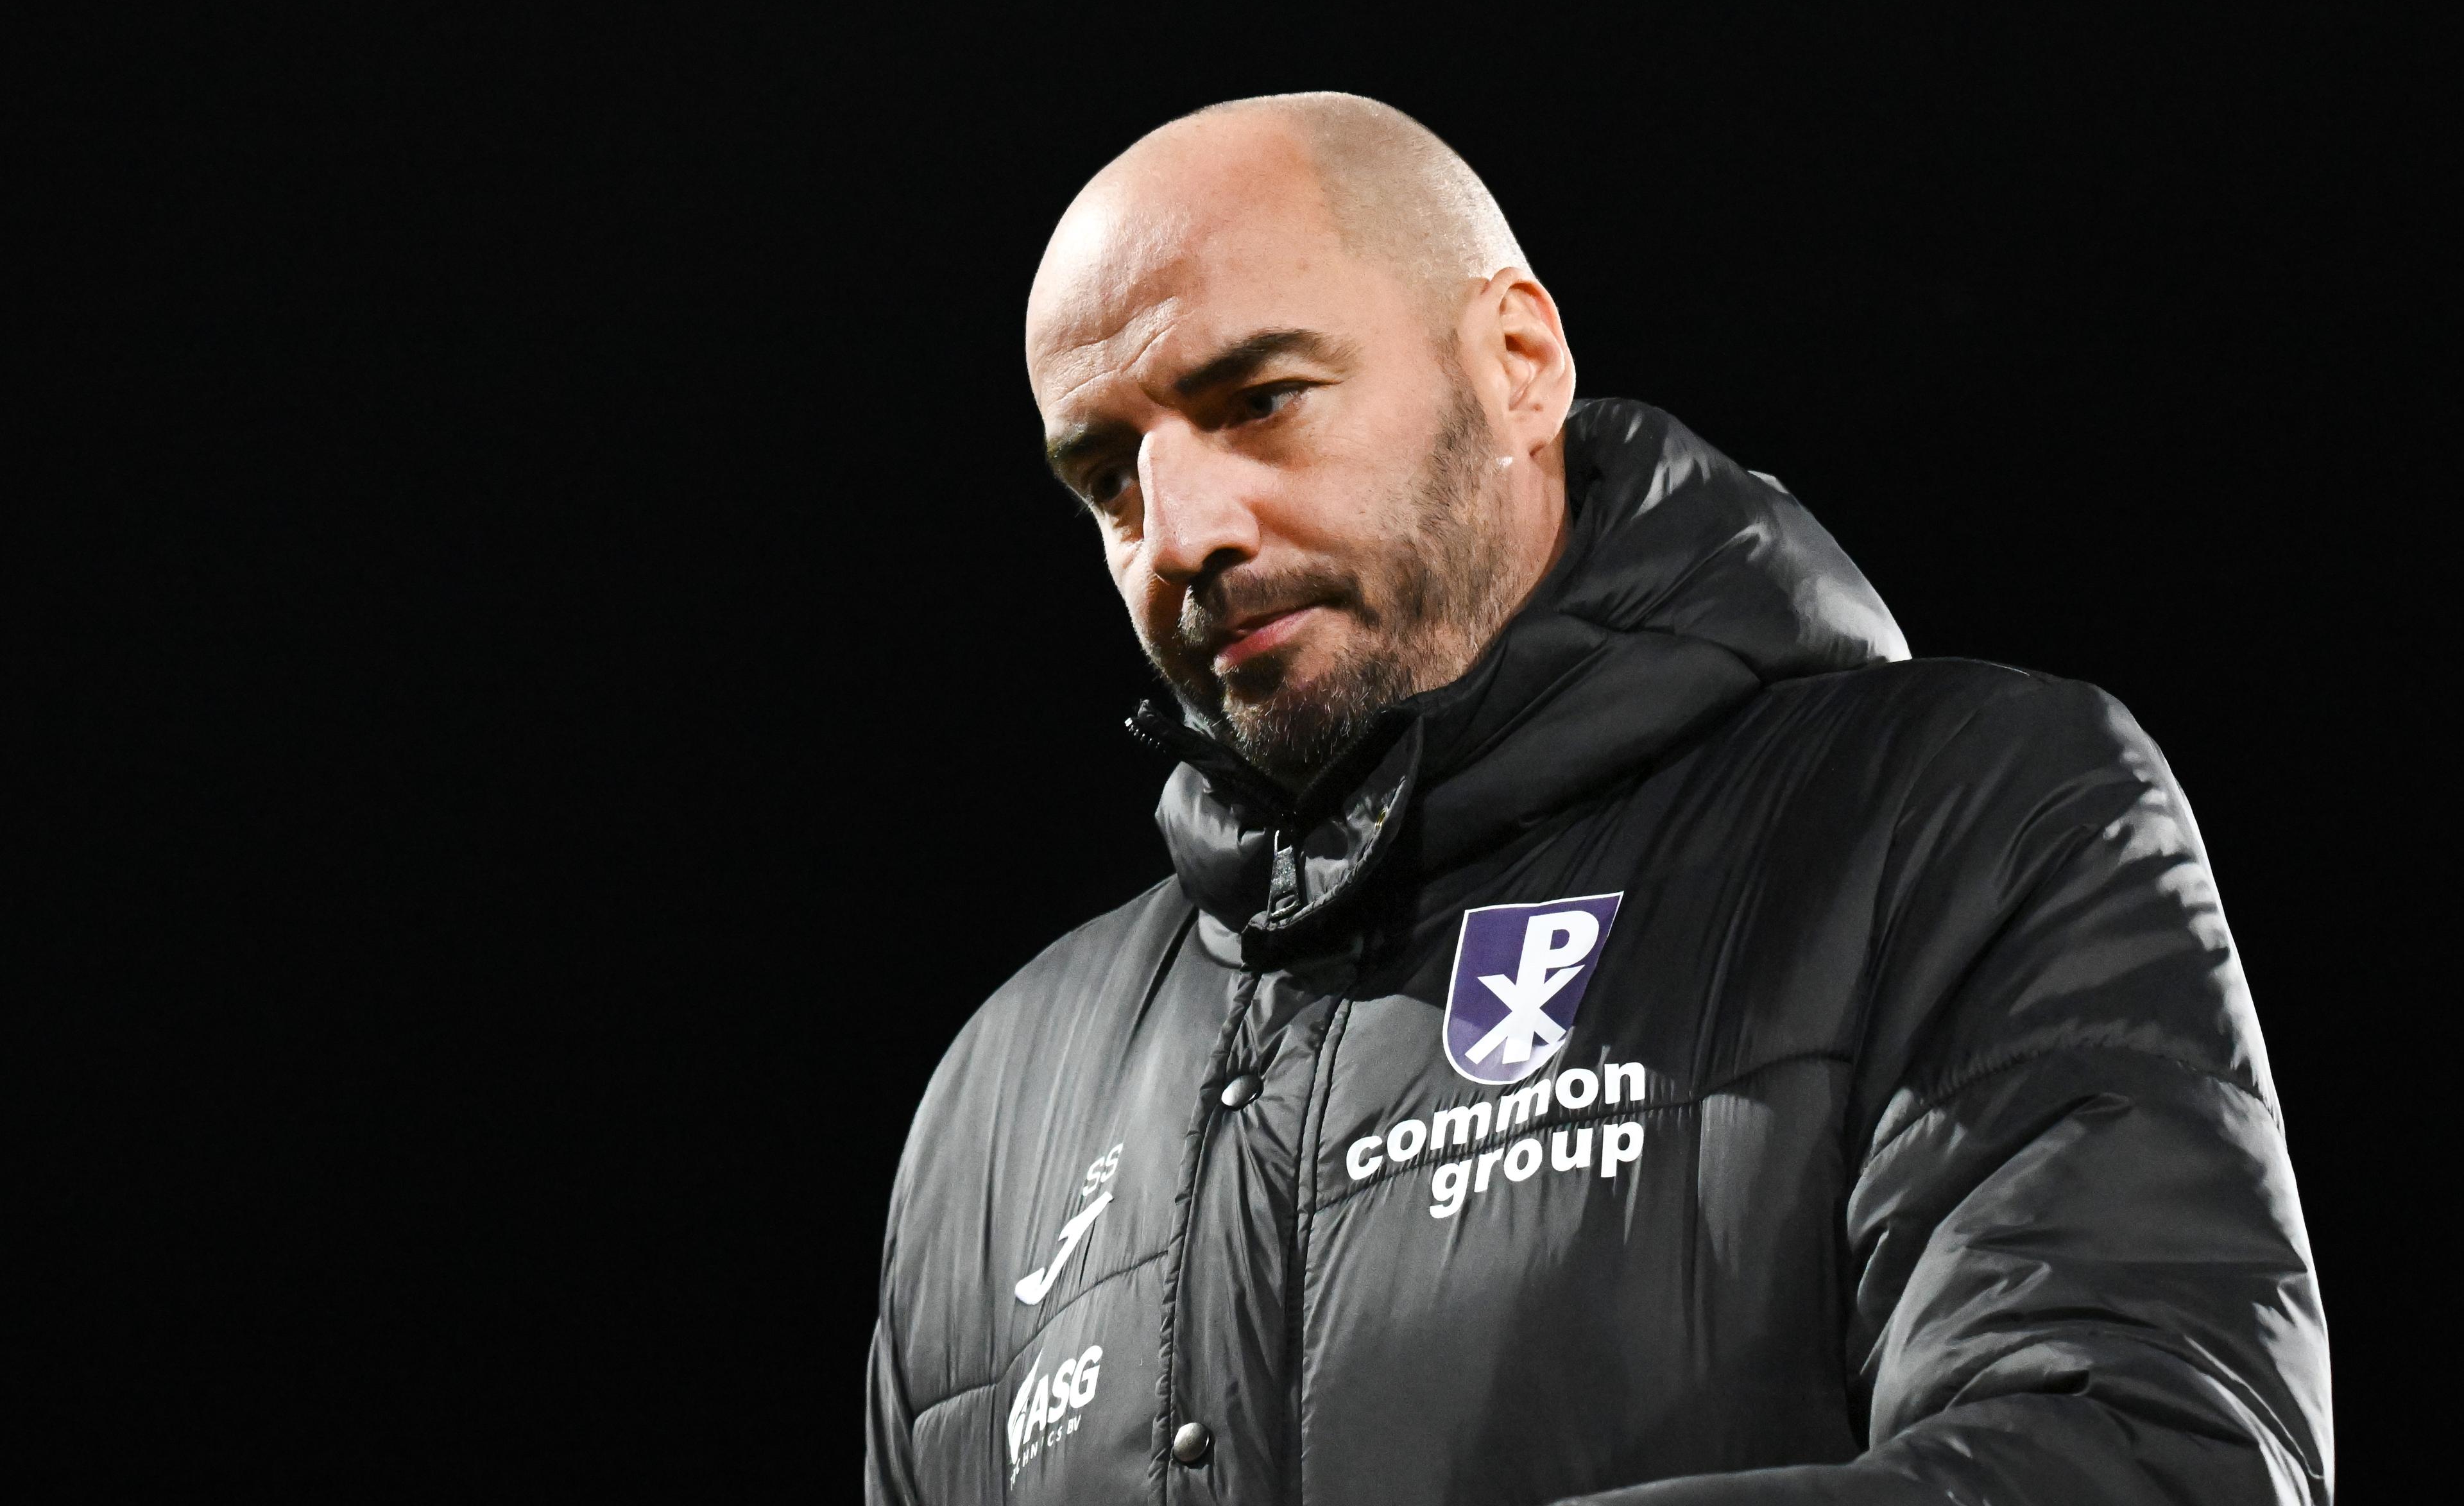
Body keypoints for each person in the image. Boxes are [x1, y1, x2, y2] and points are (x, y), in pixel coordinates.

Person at [863, 93, 2331, 1505]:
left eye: (1260, 400)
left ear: (1518, 360)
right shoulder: (999, 1098)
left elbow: (2147, 1453)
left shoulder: (1960, 813)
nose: (1180, 535)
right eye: (1110, 475)